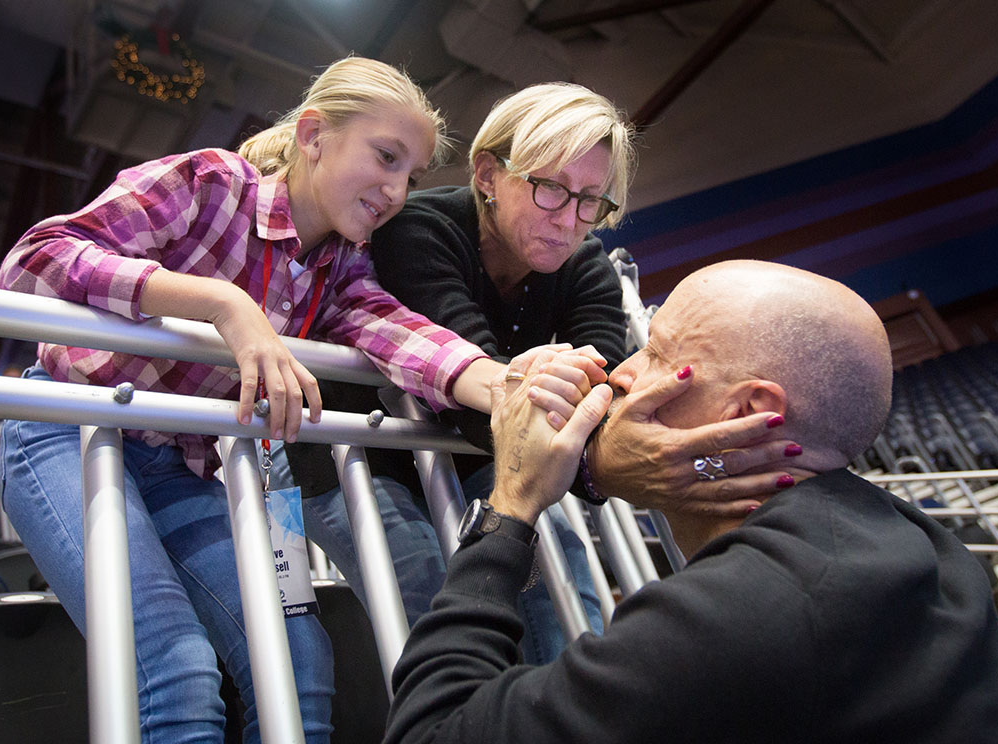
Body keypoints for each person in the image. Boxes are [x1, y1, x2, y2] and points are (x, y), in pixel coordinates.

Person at [0, 56, 578, 743]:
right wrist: (221, 304)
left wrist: (509, 383)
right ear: (312, 136)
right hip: (69, 428)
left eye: (411, 177)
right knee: (175, 672)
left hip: (176, 465)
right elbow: (33, 259)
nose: (395, 190)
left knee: (301, 662)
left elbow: (404, 337)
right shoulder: (209, 182)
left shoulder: (341, 267)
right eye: (385, 157)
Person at [384, 259, 998, 744]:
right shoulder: (910, 537)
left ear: (749, 413)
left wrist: (513, 503)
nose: (620, 372)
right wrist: (602, 469)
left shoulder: (741, 611)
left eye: (658, 353)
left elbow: (431, 732)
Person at [285, 83, 798, 662]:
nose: (570, 220)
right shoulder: (416, 229)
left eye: (591, 200)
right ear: (487, 174)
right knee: (431, 605)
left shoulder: (587, 267)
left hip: (488, 457)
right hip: (358, 459)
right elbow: (477, 394)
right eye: (550, 189)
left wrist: (607, 449)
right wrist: (623, 463)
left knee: (563, 597)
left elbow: (603, 399)